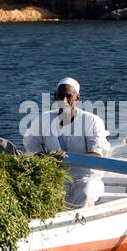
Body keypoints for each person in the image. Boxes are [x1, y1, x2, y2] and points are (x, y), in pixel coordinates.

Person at [23, 77, 111, 208]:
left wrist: (65, 157)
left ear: (77, 98)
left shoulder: (92, 121)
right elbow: (32, 147)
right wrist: (48, 158)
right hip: (55, 178)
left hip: (86, 178)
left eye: (68, 96)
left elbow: (96, 154)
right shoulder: (43, 120)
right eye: (60, 96)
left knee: (86, 193)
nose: (63, 101)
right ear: (55, 97)